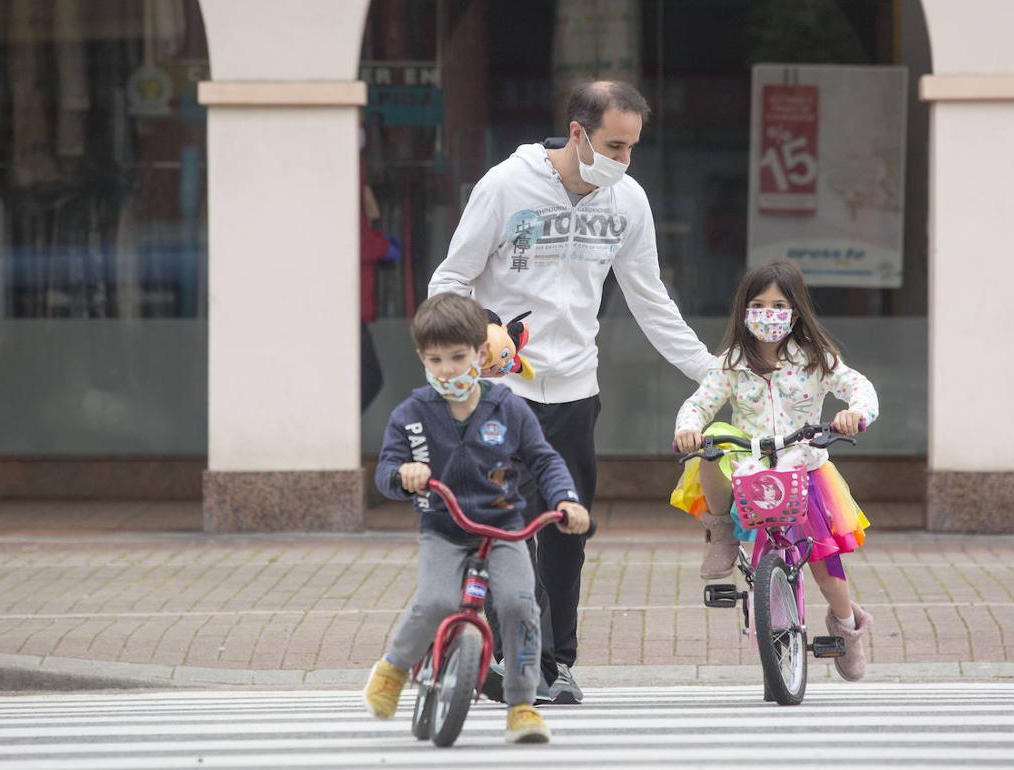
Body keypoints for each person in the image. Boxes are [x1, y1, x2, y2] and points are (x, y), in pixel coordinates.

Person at [429, 80, 714, 703]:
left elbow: (650, 301)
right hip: (503, 395)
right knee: (511, 529)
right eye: (615, 144)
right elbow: (448, 280)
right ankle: (507, 659)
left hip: (576, 394)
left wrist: (714, 373)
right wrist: (480, 335)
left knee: (565, 529)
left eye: (634, 147)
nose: (625, 159)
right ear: (579, 133)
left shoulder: (627, 200)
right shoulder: (505, 185)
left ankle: (555, 665)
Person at [362, 293, 591, 743]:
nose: (447, 368)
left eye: (458, 357)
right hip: (443, 530)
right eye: (435, 359)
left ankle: (523, 705)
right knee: (435, 602)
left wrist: (566, 500)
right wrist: (403, 476)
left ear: (480, 353)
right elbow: (386, 472)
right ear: (421, 358)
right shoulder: (412, 415)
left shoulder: (508, 408)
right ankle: (392, 669)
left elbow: (544, 460)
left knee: (519, 606)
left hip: (503, 530)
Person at [671, 259, 879, 681]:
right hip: (748, 470)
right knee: (712, 441)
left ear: (795, 312)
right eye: (759, 304)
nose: (768, 314)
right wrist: (688, 428)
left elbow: (858, 386)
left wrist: (854, 413)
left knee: (824, 564)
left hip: (803, 469)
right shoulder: (730, 363)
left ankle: (847, 627)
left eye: (779, 305)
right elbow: (699, 403)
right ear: (745, 311)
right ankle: (721, 532)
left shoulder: (817, 360)